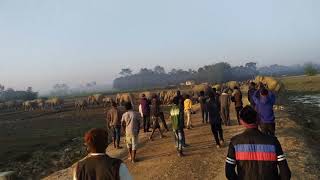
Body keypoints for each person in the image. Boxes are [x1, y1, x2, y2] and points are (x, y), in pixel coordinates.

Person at [225, 106, 291, 180]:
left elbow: (229, 172)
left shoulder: (235, 142)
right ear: (258, 119)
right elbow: (285, 173)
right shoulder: (273, 141)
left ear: (241, 121)